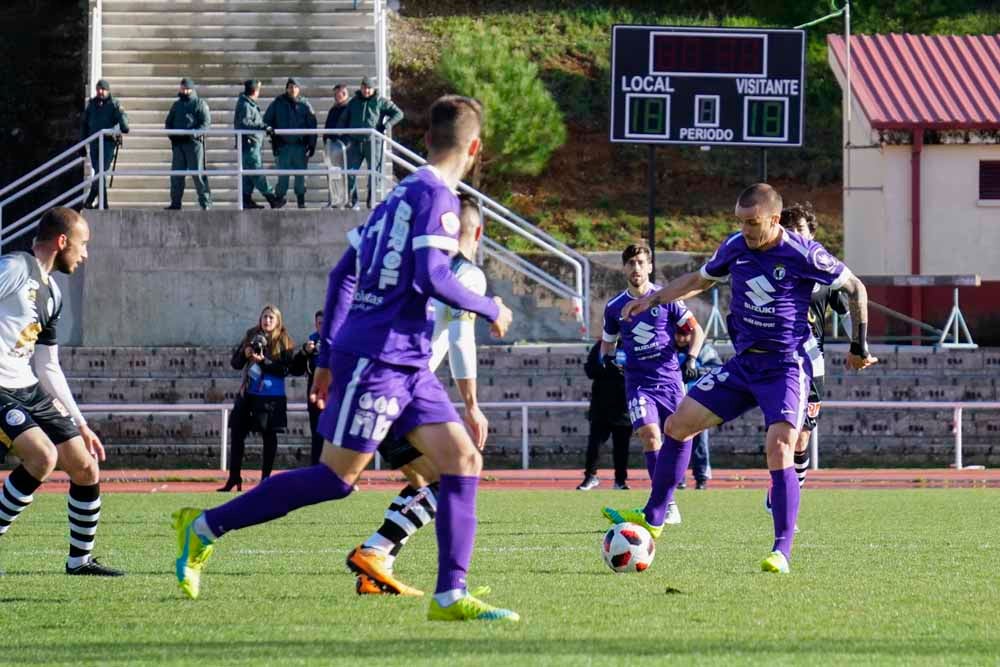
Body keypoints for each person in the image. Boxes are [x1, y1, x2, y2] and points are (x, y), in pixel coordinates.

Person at [172, 95, 519, 623]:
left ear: (425, 139)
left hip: (406, 361)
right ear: (474, 148)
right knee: (337, 478)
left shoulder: (394, 198)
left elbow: (342, 275)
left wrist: (329, 356)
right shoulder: (438, 201)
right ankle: (202, 528)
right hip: (379, 358)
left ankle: (450, 593)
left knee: (462, 460)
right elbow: (432, 275)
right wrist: (488, 304)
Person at [604, 183, 878, 575]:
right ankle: (656, 516)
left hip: (785, 367)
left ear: (774, 218)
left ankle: (781, 550)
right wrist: (653, 298)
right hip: (744, 365)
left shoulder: (802, 251)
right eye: (740, 222)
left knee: (780, 446)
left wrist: (858, 345)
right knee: (678, 424)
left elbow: (856, 287)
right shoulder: (736, 246)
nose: (745, 230)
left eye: (752, 223)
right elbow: (699, 279)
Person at [348, 194, 489, 596]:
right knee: (455, 474)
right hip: (405, 388)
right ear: (476, 232)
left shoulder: (416, 267)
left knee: (425, 478)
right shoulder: (467, 274)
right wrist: (473, 406)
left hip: (369, 378)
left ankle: (378, 562)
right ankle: (377, 551)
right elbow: (461, 340)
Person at [0, 207, 123, 576]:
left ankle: (80, 561)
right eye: (82, 245)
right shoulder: (15, 268)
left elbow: (48, 366)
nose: (85, 255)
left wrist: (81, 423)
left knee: (85, 465)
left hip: (29, 388)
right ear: (62, 241)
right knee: (42, 457)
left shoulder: (53, 293)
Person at [600, 243, 705, 524]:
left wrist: (692, 359)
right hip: (639, 384)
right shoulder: (614, 308)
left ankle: (665, 497)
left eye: (641, 263)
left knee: (679, 438)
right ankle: (666, 502)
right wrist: (608, 360)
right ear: (624, 268)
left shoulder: (666, 299)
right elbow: (606, 345)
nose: (636, 268)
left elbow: (697, 331)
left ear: (649, 267)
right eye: (631, 263)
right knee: (650, 435)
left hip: (670, 381)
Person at [764, 202, 850, 505]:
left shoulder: (826, 273)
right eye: (789, 230)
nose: (795, 235)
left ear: (811, 233)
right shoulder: (778, 269)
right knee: (785, 434)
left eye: (800, 229)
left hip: (813, 363)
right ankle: (785, 495)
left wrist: (858, 345)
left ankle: (789, 492)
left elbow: (845, 311)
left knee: (803, 437)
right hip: (782, 361)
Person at [218, 305, 298, 492]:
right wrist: (244, 354)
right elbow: (235, 364)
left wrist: (265, 362)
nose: (267, 321)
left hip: (271, 397)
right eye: (264, 317)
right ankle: (234, 478)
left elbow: (286, 370)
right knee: (237, 432)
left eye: (271, 318)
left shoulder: (285, 341)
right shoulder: (251, 335)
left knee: (269, 437)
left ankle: (265, 482)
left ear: (278, 321)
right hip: (248, 393)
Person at [339, 76, 404, 209]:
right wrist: (343, 135)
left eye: (369, 88)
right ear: (361, 87)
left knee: (374, 172)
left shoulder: (380, 101)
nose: (366, 91)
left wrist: (386, 125)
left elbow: (398, 113)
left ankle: (371, 199)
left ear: (373, 89)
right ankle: (353, 200)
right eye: (364, 88)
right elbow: (343, 119)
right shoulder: (354, 102)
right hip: (355, 142)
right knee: (350, 171)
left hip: (373, 142)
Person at [576, 338, 632, 491]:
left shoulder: (630, 344)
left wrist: (622, 371)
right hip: (601, 406)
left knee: (622, 447)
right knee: (595, 445)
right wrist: (606, 368)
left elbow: (638, 370)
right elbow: (590, 369)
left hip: (623, 407)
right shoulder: (600, 346)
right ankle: (590, 477)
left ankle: (620, 481)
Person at [673, 318, 723, 490]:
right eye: (678, 335)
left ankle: (701, 476)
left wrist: (696, 371)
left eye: (685, 335)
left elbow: (717, 369)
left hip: (698, 402)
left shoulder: (704, 349)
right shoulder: (669, 349)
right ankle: (678, 477)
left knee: (700, 441)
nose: (680, 339)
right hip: (675, 402)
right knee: (674, 442)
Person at [264, 77, 317, 209]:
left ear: (299, 89)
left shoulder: (305, 105)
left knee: (300, 177)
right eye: (290, 87)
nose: (292, 89)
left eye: (295, 87)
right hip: (284, 146)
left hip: (300, 147)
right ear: (286, 89)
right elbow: (267, 120)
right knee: (283, 177)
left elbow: (312, 125)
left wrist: (312, 144)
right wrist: (272, 137)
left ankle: (301, 202)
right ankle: (279, 201)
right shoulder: (278, 103)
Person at [164, 77, 212, 210]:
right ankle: (175, 203)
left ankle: (205, 203)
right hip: (179, 144)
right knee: (176, 176)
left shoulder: (199, 104)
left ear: (192, 89)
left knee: (198, 175)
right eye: (182, 88)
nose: (184, 91)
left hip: (194, 144)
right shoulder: (176, 105)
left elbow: (206, 124)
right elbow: (168, 122)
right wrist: (172, 136)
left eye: (187, 89)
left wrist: (193, 134)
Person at [80, 79, 128, 209]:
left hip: (107, 143)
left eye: (103, 89)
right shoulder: (92, 105)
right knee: (99, 172)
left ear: (108, 90)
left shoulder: (114, 104)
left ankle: (90, 199)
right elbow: (84, 124)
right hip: (94, 144)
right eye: (98, 89)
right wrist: (82, 145)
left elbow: (123, 118)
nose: (100, 92)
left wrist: (124, 126)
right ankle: (104, 203)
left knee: (101, 171)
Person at [233, 79, 280, 210]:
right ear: (255, 90)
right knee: (257, 172)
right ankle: (272, 198)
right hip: (249, 145)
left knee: (248, 175)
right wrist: (263, 127)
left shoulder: (247, 103)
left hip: (251, 144)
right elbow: (244, 123)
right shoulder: (246, 105)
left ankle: (246, 199)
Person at [293, 309, 324, 465]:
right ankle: (316, 473)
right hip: (316, 397)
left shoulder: (341, 343)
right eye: (320, 323)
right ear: (315, 324)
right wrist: (304, 353)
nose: (323, 327)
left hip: (336, 397)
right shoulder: (311, 345)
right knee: (317, 436)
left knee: (336, 439)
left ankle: (341, 475)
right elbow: (296, 370)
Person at [322, 84, 351, 208]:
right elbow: (328, 126)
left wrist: (344, 141)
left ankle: (347, 200)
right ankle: (333, 200)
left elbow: (351, 127)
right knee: (332, 174)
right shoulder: (333, 110)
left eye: (341, 94)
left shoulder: (349, 109)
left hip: (344, 147)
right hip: (332, 146)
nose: (338, 97)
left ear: (345, 94)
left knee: (345, 174)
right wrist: (326, 139)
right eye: (336, 94)